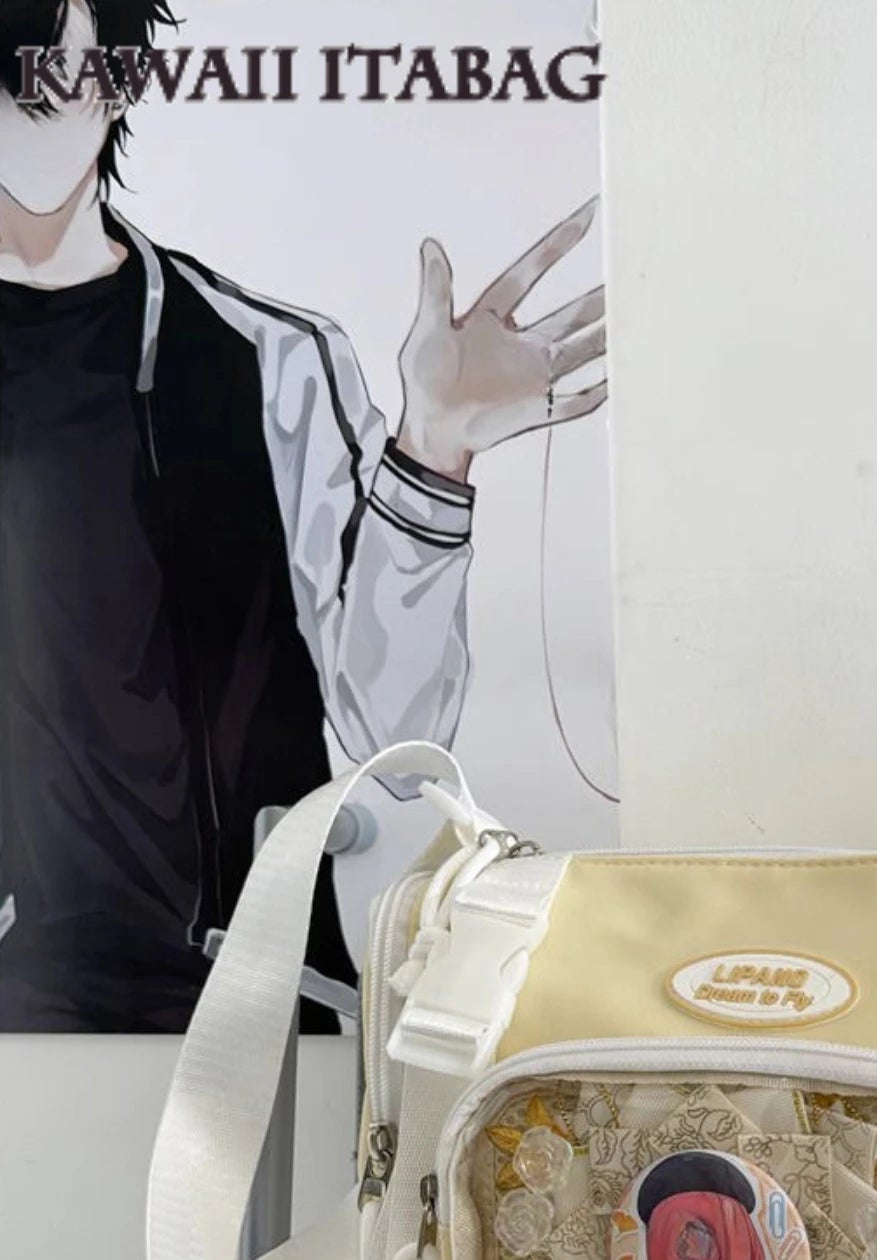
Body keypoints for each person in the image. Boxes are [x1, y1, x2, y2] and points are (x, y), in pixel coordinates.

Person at [0, 0, 607, 1031]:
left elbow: (395, 736)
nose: (36, 112)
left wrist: (434, 455)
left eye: (58, 73)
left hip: (253, 1004)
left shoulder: (266, 358)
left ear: (121, 80)